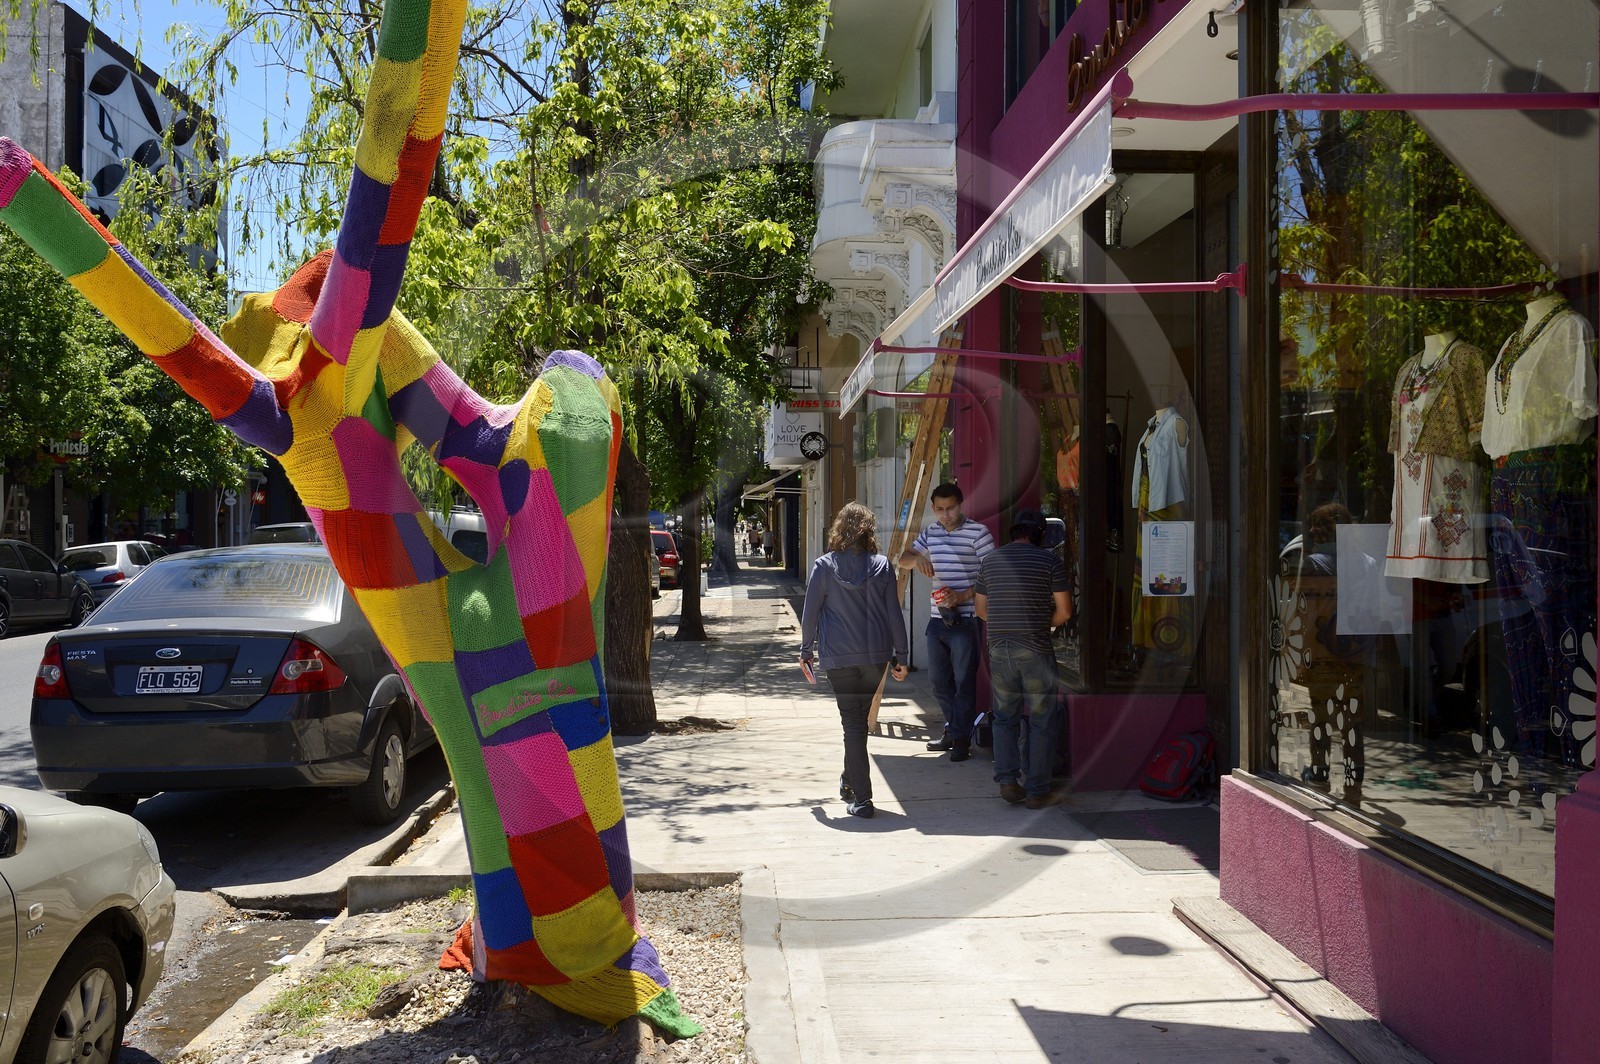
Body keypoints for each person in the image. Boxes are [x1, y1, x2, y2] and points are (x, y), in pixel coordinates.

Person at [800, 502, 909, 818]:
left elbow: (810, 615)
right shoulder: (882, 566)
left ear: (839, 530)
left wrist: (806, 651)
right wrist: (901, 656)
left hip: (839, 657)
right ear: (869, 532)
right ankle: (850, 782)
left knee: (853, 724)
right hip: (876, 657)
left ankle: (862, 799)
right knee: (857, 723)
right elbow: (894, 615)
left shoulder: (823, 566)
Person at [975, 508, 1071, 808]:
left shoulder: (989, 562)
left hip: (999, 648)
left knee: (1005, 717)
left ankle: (1007, 781)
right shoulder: (1051, 561)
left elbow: (981, 609)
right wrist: (1045, 624)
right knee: (1043, 718)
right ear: (1041, 534)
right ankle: (1037, 791)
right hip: (1036, 649)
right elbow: (1065, 612)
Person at [898, 483, 996, 761]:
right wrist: (917, 561)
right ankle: (955, 729)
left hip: (966, 619)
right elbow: (903, 558)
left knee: (964, 682)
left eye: (950, 508)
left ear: (961, 504)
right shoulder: (931, 532)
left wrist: (963, 595)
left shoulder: (978, 533)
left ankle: (961, 740)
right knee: (939, 681)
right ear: (933, 508)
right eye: (940, 509)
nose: (946, 514)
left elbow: (992, 575)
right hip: (937, 619)